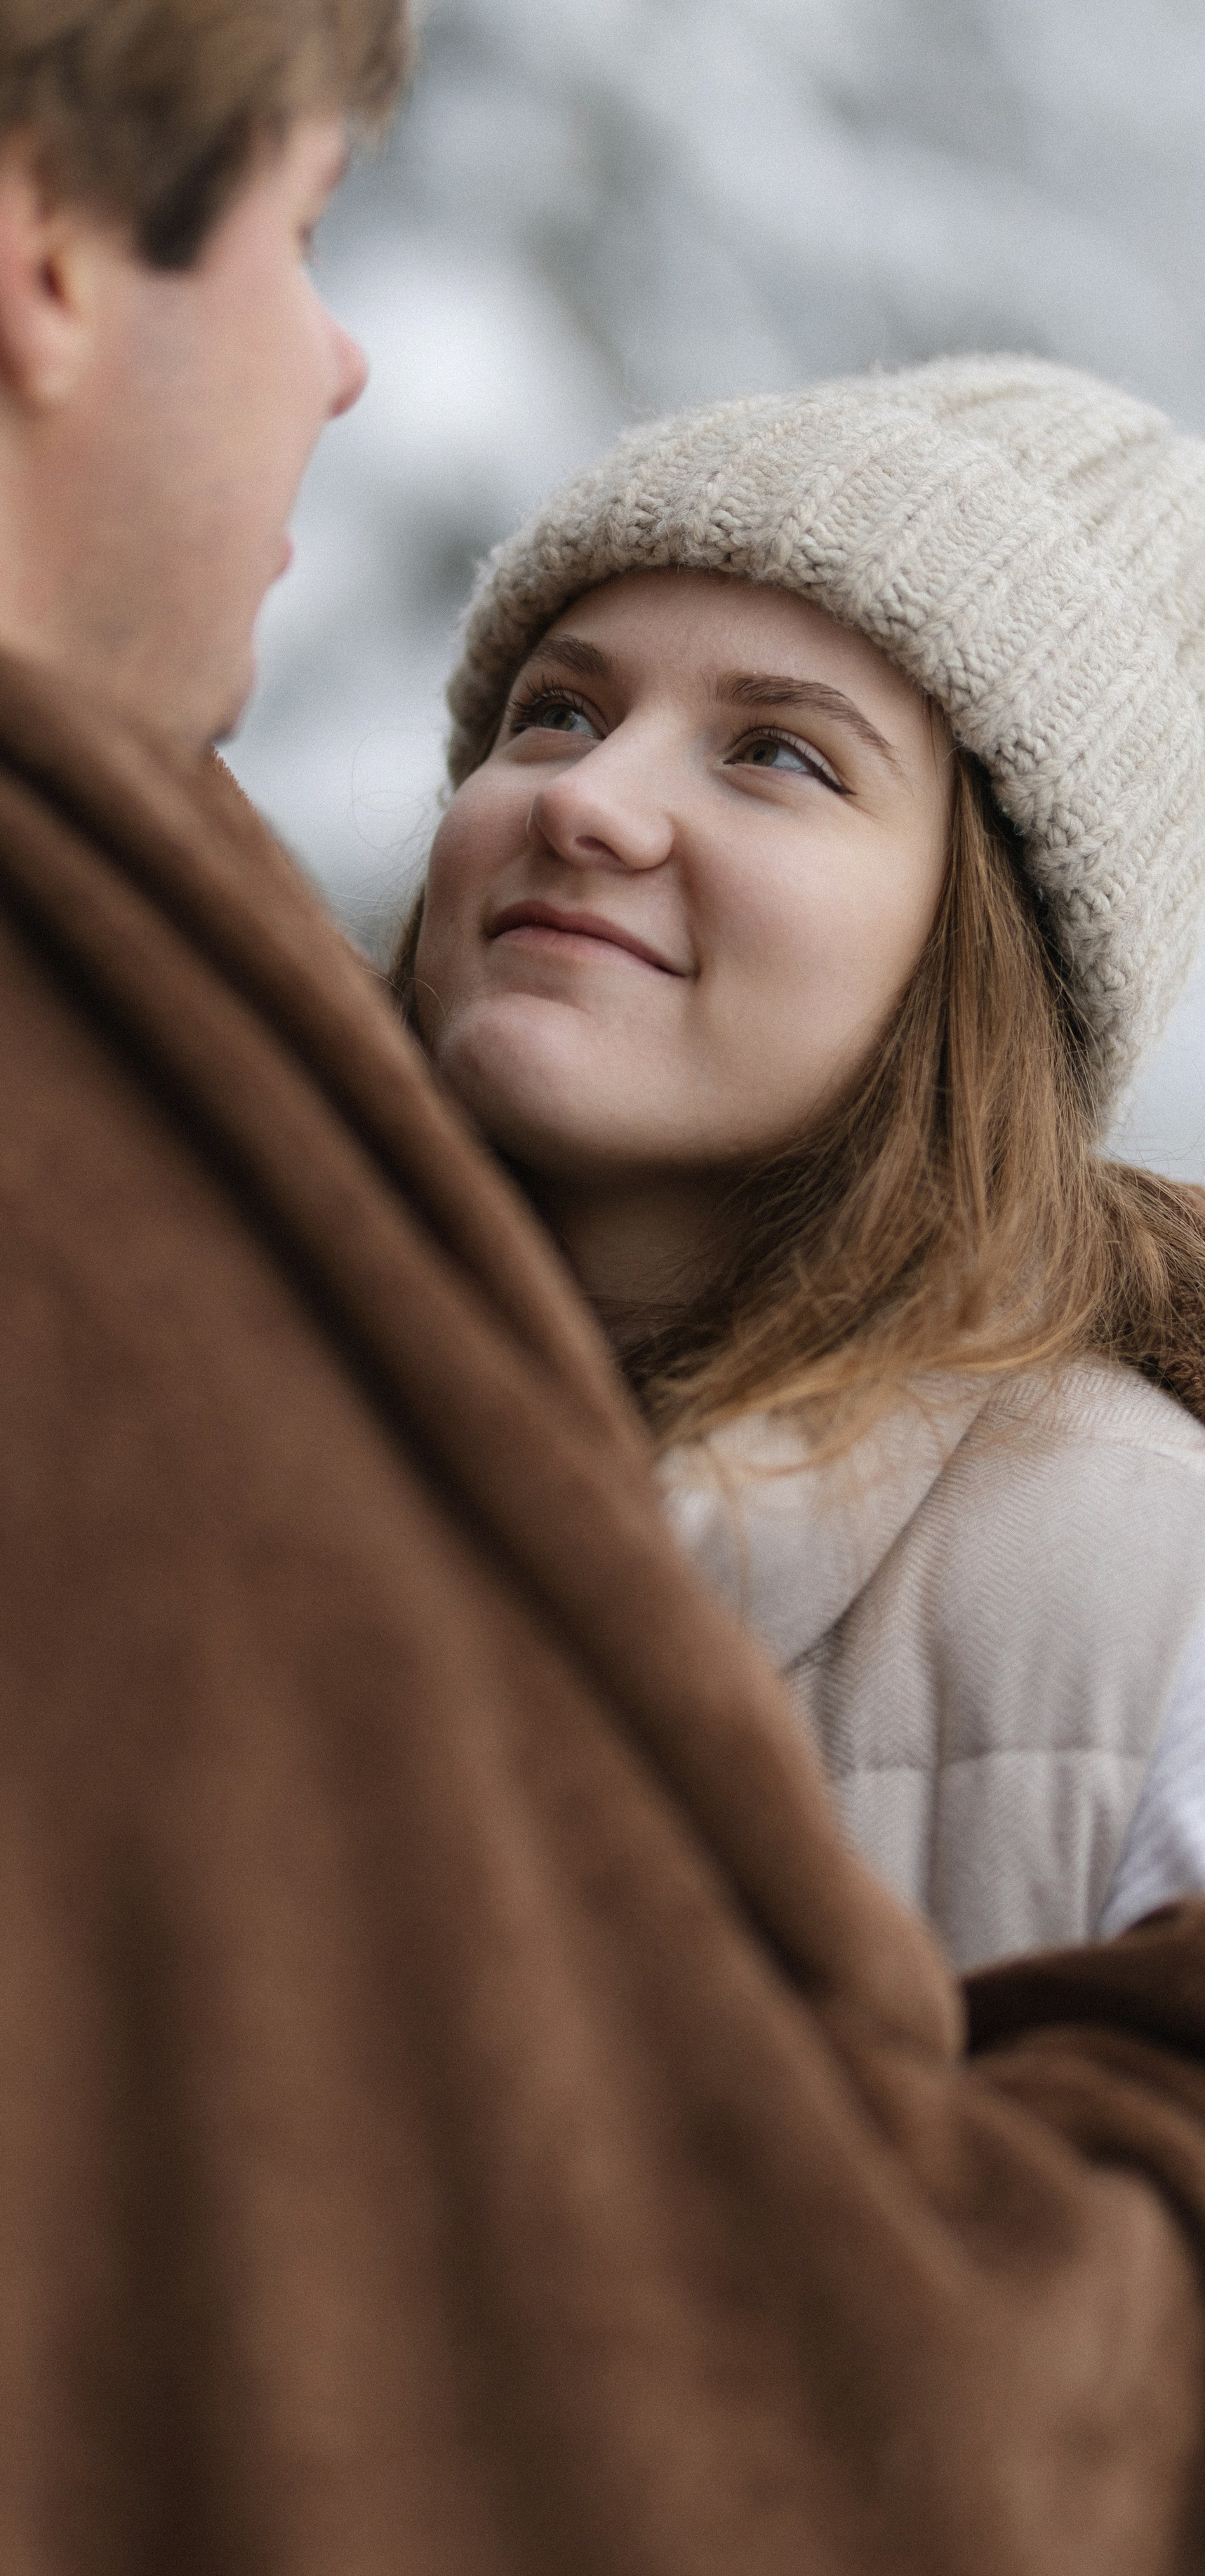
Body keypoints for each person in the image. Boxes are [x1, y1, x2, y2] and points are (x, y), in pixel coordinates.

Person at [0, 13, 1205, 2576]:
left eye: (786, 756)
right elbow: (722, 2473)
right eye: (299, 223)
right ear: (40, 260)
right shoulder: (63, 1213)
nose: (343, 357)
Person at [399, 355, 1205, 1972]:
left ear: (981, 938)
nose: (592, 805)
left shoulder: (1149, 1602)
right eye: (555, 712)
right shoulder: (168, 1356)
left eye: (774, 753)